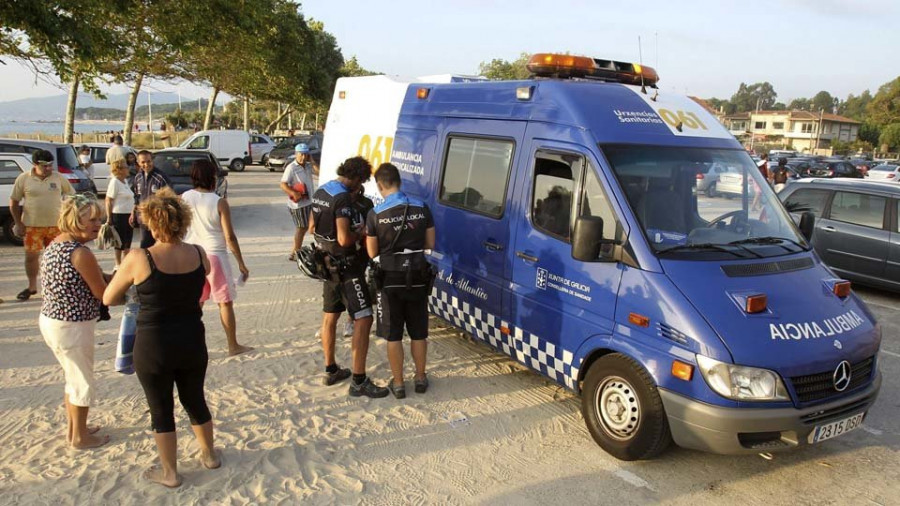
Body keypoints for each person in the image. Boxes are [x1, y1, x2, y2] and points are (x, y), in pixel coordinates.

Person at [103, 188, 220, 488]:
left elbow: (109, 297)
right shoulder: (198, 253)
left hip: (154, 342)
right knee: (195, 398)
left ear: (152, 224)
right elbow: (202, 279)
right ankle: (209, 455)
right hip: (192, 338)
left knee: (161, 408)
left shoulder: (139, 257)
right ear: (182, 222)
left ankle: (170, 472)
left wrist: (136, 293)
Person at [309, 156, 388, 398]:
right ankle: (359, 380)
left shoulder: (323, 190)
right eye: (361, 181)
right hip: (347, 267)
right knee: (364, 319)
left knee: (330, 317)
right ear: (356, 178)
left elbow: (312, 226)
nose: (360, 186)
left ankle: (331, 369)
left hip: (327, 265)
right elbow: (344, 239)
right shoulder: (342, 197)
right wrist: (360, 233)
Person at [39, 194, 109, 449]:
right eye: (92, 219)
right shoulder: (80, 254)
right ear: (75, 220)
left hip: (53, 322)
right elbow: (103, 293)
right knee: (81, 381)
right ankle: (80, 437)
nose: (98, 224)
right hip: (72, 326)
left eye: (99, 219)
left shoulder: (57, 244)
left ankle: (75, 428)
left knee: (72, 377)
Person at [366, 163, 436, 398]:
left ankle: (398, 383)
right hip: (417, 275)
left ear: (379, 185)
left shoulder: (375, 213)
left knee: (393, 334)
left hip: (390, 278)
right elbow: (430, 244)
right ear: (399, 181)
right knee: (418, 333)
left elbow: (371, 252)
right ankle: (420, 377)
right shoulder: (421, 207)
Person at [182, 159, 253, 356]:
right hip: (215, 256)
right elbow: (229, 236)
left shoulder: (184, 197)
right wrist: (241, 263)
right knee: (225, 302)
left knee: (196, 303)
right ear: (212, 178)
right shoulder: (219, 202)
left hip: (193, 255)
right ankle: (233, 345)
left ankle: (189, 345)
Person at [10, 149, 75, 301]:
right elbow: (14, 201)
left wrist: (69, 218)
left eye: (50, 165)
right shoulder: (24, 178)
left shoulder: (58, 177)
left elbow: (72, 196)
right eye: (44, 166)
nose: (48, 169)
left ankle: (57, 287)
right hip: (32, 226)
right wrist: (18, 223)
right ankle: (32, 287)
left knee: (58, 258)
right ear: (35, 164)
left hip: (56, 226)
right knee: (31, 257)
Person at [280, 143, 318, 261]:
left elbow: (318, 172)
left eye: (305, 154)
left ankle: (294, 252)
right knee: (301, 228)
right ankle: (295, 253)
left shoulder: (307, 166)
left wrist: (312, 161)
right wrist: (293, 193)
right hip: (298, 204)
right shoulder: (291, 167)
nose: (303, 157)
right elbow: (283, 184)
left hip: (309, 201)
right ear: (296, 154)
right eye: (301, 154)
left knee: (308, 227)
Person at [130, 150, 171, 248]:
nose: (146, 164)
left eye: (148, 161)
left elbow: (169, 199)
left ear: (152, 160)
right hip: (143, 219)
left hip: (157, 220)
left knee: (159, 247)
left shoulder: (161, 178)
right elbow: (137, 197)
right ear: (138, 163)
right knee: (145, 246)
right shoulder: (138, 177)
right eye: (143, 162)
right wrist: (133, 213)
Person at [104, 159, 135, 267]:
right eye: (126, 167)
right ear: (119, 170)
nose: (128, 169)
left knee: (127, 242)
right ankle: (118, 264)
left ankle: (125, 264)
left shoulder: (125, 181)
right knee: (119, 242)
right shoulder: (115, 182)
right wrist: (109, 217)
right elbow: (108, 200)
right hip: (118, 215)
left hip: (128, 215)